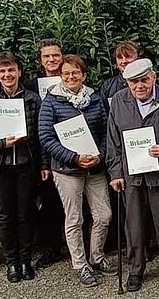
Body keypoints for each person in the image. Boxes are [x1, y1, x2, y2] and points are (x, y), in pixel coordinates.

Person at [106, 59, 159, 292]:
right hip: (132, 177)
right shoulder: (118, 103)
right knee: (134, 225)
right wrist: (115, 173)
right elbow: (113, 143)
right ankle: (135, 270)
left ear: (153, 77)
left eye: (144, 80)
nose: (139, 86)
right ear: (127, 83)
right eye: (134, 82)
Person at [38, 54, 113, 288]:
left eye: (76, 72)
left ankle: (97, 257)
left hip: (95, 168)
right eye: (66, 73)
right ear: (60, 76)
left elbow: (105, 130)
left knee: (104, 215)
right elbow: (46, 137)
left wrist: (99, 155)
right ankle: (80, 265)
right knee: (74, 218)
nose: (71, 77)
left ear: (84, 75)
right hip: (66, 169)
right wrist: (74, 158)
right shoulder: (51, 101)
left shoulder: (95, 98)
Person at [0, 52, 46, 282]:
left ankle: (25, 261)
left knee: (25, 214)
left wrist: (44, 164)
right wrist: (0, 143)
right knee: (5, 215)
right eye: (2, 71)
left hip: (25, 164)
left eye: (11, 70)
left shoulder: (32, 98)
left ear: (19, 72)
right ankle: (11, 263)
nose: (7, 75)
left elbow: (41, 136)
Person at [24, 38, 65, 268]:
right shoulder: (30, 86)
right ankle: (50, 248)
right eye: (47, 56)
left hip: (67, 149)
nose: (52, 59)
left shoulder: (70, 78)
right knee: (46, 202)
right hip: (37, 151)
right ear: (41, 60)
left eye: (55, 55)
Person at [100, 40, 139, 111]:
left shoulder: (147, 82)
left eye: (128, 57)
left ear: (137, 59)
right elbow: (105, 114)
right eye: (120, 57)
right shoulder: (108, 86)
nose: (124, 61)